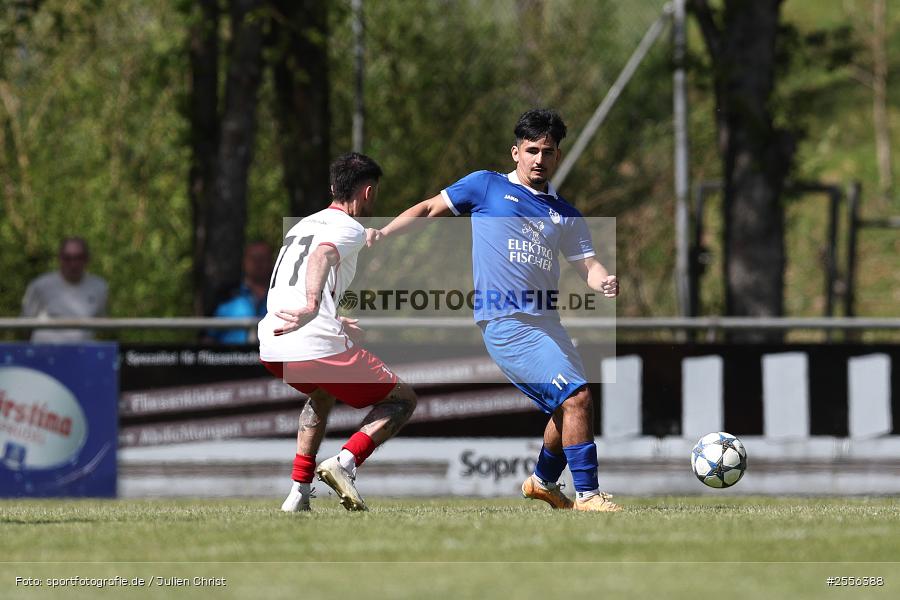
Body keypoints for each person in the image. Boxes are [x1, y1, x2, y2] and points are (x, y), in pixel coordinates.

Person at [368, 108, 621, 512]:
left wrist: (604, 280)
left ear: (558, 156)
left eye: (548, 152)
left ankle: (542, 482)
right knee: (578, 397)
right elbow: (430, 209)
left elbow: (588, 265)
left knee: (569, 404)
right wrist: (383, 232)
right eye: (532, 150)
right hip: (507, 322)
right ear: (515, 152)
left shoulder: (566, 214)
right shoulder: (485, 186)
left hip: (547, 323)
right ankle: (588, 496)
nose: (539, 159)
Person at [258, 152, 418, 512]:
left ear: (333, 188)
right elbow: (322, 257)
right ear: (368, 193)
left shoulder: (302, 226)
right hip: (312, 339)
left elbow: (294, 278)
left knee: (321, 394)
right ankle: (345, 462)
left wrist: (330, 315)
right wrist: (313, 306)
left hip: (273, 343)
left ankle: (299, 492)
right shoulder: (349, 228)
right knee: (402, 399)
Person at [21, 237, 108, 343]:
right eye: (67, 258)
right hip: (44, 350)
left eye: (78, 257)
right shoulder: (40, 285)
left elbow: (101, 325)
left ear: (87, 259)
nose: (73, 264)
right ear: (60, 258)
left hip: (83, 351)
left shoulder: (99, 287)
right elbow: (25, 325)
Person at [208, 241, 273, 344]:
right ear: (244, 262)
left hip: (271, 354)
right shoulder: (225, 295)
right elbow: (207, 336)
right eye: (253, 258)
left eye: (262, 258)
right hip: (229, 354)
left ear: (271, 262)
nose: (258, 263)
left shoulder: (284, 297)